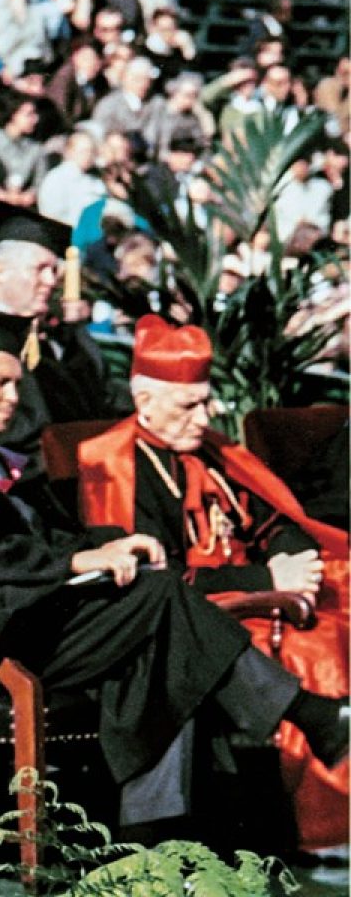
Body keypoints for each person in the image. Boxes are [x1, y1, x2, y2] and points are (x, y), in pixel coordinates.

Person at [0, 310, 347, 834]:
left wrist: (113, 544)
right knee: (163, 601)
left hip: (28, 621)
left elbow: (40, 542)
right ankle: (309, 714)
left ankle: (156, 832)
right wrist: (77, 561)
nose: (13, 396)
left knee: (160, 644)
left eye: (16, 383)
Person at [77, 316, 349, 849]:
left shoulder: (210, 452)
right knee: (317, 648)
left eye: (206, 401)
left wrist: (296, 562)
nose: (205, 417)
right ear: (145, 400)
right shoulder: (110, 464)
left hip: (259, 589)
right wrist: (265, 577)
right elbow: (154, 583)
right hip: (194, 608)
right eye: (189, 406)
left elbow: (273, 521)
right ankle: (311, 830)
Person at [0, 204, 125, 451]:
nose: (50, 281)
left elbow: (109, 400)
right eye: (39, 269)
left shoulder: (71, 341)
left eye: (53, 270)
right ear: (0, 272)